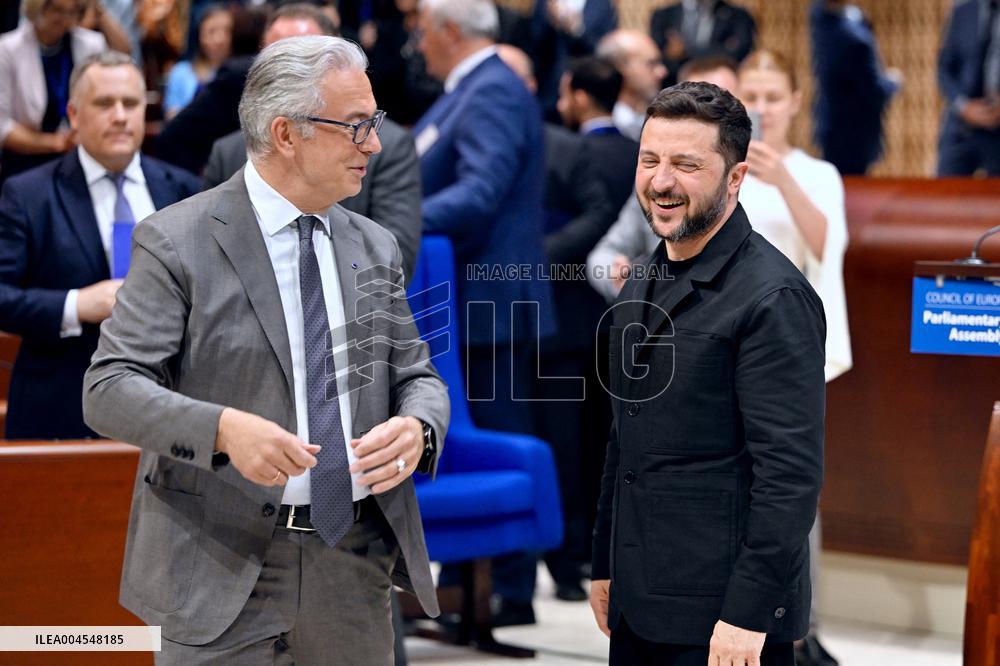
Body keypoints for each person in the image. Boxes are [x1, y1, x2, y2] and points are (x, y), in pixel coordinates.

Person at [82, 35, 449, 663]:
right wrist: (222, 430)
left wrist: (419, 426)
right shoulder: (176, 240)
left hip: (351, 562)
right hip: (218, 560)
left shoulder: (374, 245)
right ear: (286, 134)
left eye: (375, 123)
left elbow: (416, 373)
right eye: (356, 126)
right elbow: (109, 388)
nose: (374, 145)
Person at [589, 80, 825, 666]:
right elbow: (624, 439)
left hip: (725, 615)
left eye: (686, 165)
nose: (661, 182)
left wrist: (750, 611)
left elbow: (789, 476)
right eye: (650, 160)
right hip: (640, 598)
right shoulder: (642, 278)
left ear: (735, 177)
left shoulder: (773, 297)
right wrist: (604, 563)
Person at [414, 0, 554, 627]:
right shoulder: (470, 89)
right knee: (474, 441)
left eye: (423, 32)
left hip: (488, 298)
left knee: (496, 436)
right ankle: (467, 587)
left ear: (449, 30)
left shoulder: (490, 89)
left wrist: (391, 221)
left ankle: (508, 592)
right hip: (467, 297)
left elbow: (480, 192)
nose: (418, 44)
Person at [0, 51, 200, 440]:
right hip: (62, 406)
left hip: (172, 406)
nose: (120, 116)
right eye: (105, 103)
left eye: (131, 103)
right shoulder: (28, 195)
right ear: (74, 115)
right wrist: (76, 304)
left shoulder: (185, 190)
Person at [202, 2, 423, 283]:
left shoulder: (377, 238)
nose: (372, 144)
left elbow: (390, 271)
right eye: (277, 58)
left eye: (304, 57)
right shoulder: (227, 154)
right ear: (285, 135)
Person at [586, 55, 739, 302]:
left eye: (719, 102)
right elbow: (602, 256)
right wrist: (622, 278)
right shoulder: (657, 185)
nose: (662, 182)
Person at [0, 0, 106, 185]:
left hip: (80, 156)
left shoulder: (92, 45)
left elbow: (102, 102)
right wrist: (56, 142)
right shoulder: (8, 49)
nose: (63, 19)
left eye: (71, 12)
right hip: (26, 162)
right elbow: (3, 126)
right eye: (56, 9)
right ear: (38, 7)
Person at [810, 0, 901, 175]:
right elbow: (875, 91)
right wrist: (893, 81)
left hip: (832, 126)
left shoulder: (821, 18)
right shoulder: (855, 40)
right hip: (853, 134)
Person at [937, 0, 1000, 176]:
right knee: (945, 190)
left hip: (997, 129)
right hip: (961, 126)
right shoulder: (963, 11)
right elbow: (944, 69)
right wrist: (964, 107)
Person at [649, 0, 756, 86]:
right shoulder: (663, 15)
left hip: (720, 87)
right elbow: (658, 57)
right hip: (671, 87)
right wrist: (720, 48)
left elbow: (736, 55)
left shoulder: (739, 16)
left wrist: (684, 52)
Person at [595, 29, 668, 140]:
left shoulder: (663, 120)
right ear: (619, 66)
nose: (662, 72)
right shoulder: (601, 127)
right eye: (651, 63)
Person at [163, 4, 233, 119]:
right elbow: (172, 116)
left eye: (227, 31)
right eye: (211, 31)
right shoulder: (181, 72)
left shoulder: (241, 73)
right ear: (199, 36)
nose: (220, 39)